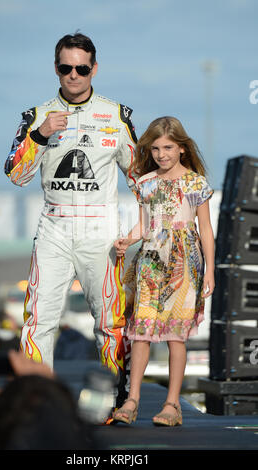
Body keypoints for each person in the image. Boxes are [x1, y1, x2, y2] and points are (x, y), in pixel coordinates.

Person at [4, 33, 137, 411]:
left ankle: (113, 399)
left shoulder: (116, 114)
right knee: (37, 320)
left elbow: (142, 175)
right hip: (54, 226)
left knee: (110, 322)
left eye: (81, 68)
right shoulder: (36, 115)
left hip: (102, 228)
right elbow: (16, 173)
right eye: (66, 68)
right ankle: (36, 402)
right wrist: (41, 135)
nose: (74, 75)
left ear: (94, 69)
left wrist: (149, 227)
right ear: (57, 69)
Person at [112, 116, 215, 426]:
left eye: (168, 147)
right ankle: (132, 400)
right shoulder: (145, 182)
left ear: (182, 148)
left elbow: (206, 230)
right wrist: (127, 240)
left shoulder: (196, 183)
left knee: (175, 337)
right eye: (155, 148)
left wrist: (209, 271)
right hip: (150, 261)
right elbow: (145, 225)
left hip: (184, 262)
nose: (161, 154)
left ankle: (172, 405)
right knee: (140, 333)